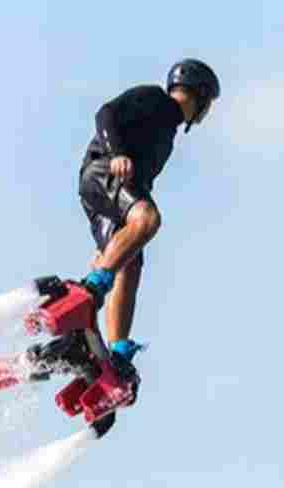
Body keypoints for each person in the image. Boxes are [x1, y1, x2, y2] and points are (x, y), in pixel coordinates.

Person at [77, 58, 221, 369]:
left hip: (116, 192)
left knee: (131, 262)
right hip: (104, 171)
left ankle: (115, 352)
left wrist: (111, 249)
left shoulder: (166, 138)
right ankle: (90, 289)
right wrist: (117, 153)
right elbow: (106, 114)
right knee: (148, 220)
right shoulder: (156, 99)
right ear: (202, 96)